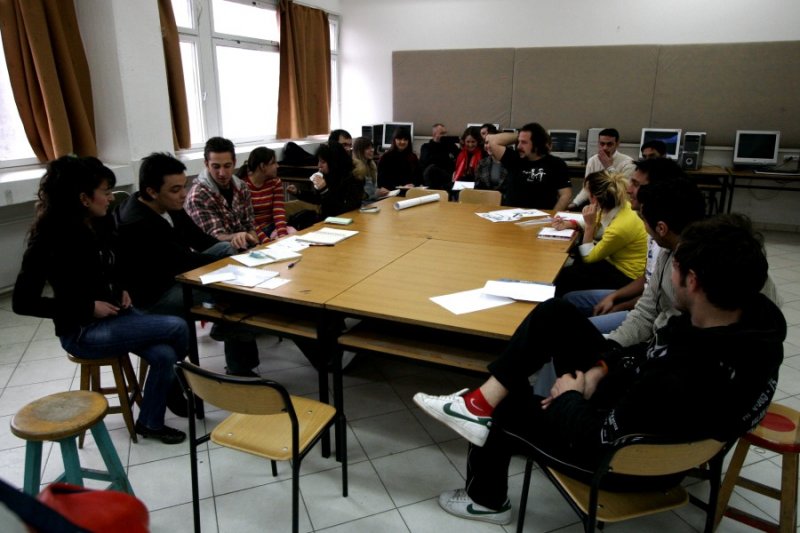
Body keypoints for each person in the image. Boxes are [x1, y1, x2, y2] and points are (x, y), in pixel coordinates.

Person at [414, 211, 784, 525]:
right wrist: (601, 369)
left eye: (675, 266)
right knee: (556, 314)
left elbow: (600, 440)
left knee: (507, 407)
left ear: (693, 281)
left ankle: (486, 500)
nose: (668, 272)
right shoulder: (751, 324)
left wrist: (569, 397)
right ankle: (477, 403)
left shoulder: (678, 376)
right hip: (646, 415)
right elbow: (649, 352)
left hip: (628, 463)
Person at [12, 156, 189, 444]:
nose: (111, 198)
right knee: (177, 327)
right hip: (82, 331)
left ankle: (150, 422)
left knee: (165, 355)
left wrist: (121, 288)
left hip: (116, 315)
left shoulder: (99, 221)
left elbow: (112, 264)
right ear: (83, 198)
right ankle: (176, 387)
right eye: (105, 192)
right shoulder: (48, 238)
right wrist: (88, 307)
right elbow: (22, 303)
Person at [116, 152, 261, 378]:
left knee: (227, 249)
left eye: (183, 186)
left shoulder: (165, 202)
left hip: (178, 272)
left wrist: (236, 253)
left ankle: (226, 326)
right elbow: (183, 262)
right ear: (152, 191)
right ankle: (238, 363)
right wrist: (232, 268)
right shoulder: (138, 223)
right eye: (176, 189)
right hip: (156, 296)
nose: (184, 194)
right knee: (238, 288)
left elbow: (199, 240)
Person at [561, 158, 687, 332]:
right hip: (640, 301)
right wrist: (615, 297)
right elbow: (648, 281)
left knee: (569, 289)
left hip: (645, 313)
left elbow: (653, 306)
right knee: (567, 297)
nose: (628, 189)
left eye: (636, 184)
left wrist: (621, 305)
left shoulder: (665, 243)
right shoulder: (652, 230)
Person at [553, 171, 648, 296]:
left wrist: (589, 226)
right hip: (614, 263)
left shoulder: (620, 227)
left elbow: (588, 257)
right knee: (572, 265)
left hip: (627, 276)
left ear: (594, 198)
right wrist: (570, 223)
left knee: (566, 276)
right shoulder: (619, 205)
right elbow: (597, 219)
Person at [185, 136, 258, 250]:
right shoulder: (198, 195)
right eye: (216, 167)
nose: (222, 173)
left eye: (227, 166)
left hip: (245, 250)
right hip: (215, 255)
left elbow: (250, 225)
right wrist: (240, 236)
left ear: (234, 163)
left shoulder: (242, 187)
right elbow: (213, 238)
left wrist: (256, 244)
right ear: (206, 164)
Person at [485, 123, 572, 210]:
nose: (519, 146)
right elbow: (492, 140)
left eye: (524, 142)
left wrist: (553, 215)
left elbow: (566, 195)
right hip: (511, 214)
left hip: (541, 215)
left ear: (537, 144)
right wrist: (519, 135)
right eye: (519, 141)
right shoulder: (514, 159)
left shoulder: (556, 164)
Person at [287, 143, 363, 219]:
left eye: (323, 162)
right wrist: (298, 192)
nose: (319, 165)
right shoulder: (329, 175)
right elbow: (318, 198)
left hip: (347, 220)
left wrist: (324, 190)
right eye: (319, 161)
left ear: (334, 163)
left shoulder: (353, 178)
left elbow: (343, 209)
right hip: (327, 220)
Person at [568, 128, 635, 210]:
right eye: (602, 144)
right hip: (596, 206)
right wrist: (575, 203)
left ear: (617, 144)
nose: (605, 148)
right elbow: (587, 188)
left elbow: (622, 190)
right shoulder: (592, 160)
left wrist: (609, 166)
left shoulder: (628, 163)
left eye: (609, 144)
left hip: (618, 205)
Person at [235, 146, 292, 242]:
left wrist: (282, 235)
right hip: (253, 232)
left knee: (292, 235)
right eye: (273, 163)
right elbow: (249, 221)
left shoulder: (275, 182)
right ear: (262, 166)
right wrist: (265, 241)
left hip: (272, 227)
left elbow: (278, 211)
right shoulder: (243, 186)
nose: (277, 166)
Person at [420, 123, 458, 189]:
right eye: (442, 133)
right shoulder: (426, 147)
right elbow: (429, 162)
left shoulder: (452, 146)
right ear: (434, 135)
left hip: (449, 180)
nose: (445, 136)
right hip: (433, 180)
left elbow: (458, 160)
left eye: (445, 133)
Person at [353, 136, 389, 202]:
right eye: (367, 148)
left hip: (372, 202)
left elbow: (372, 189)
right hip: (362, 205)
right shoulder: (355, 168)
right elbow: (358, 196)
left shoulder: (371, 165)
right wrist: (376, 193)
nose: (372, 150)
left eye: (372, 147)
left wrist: (379, 190)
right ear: (359, 151)